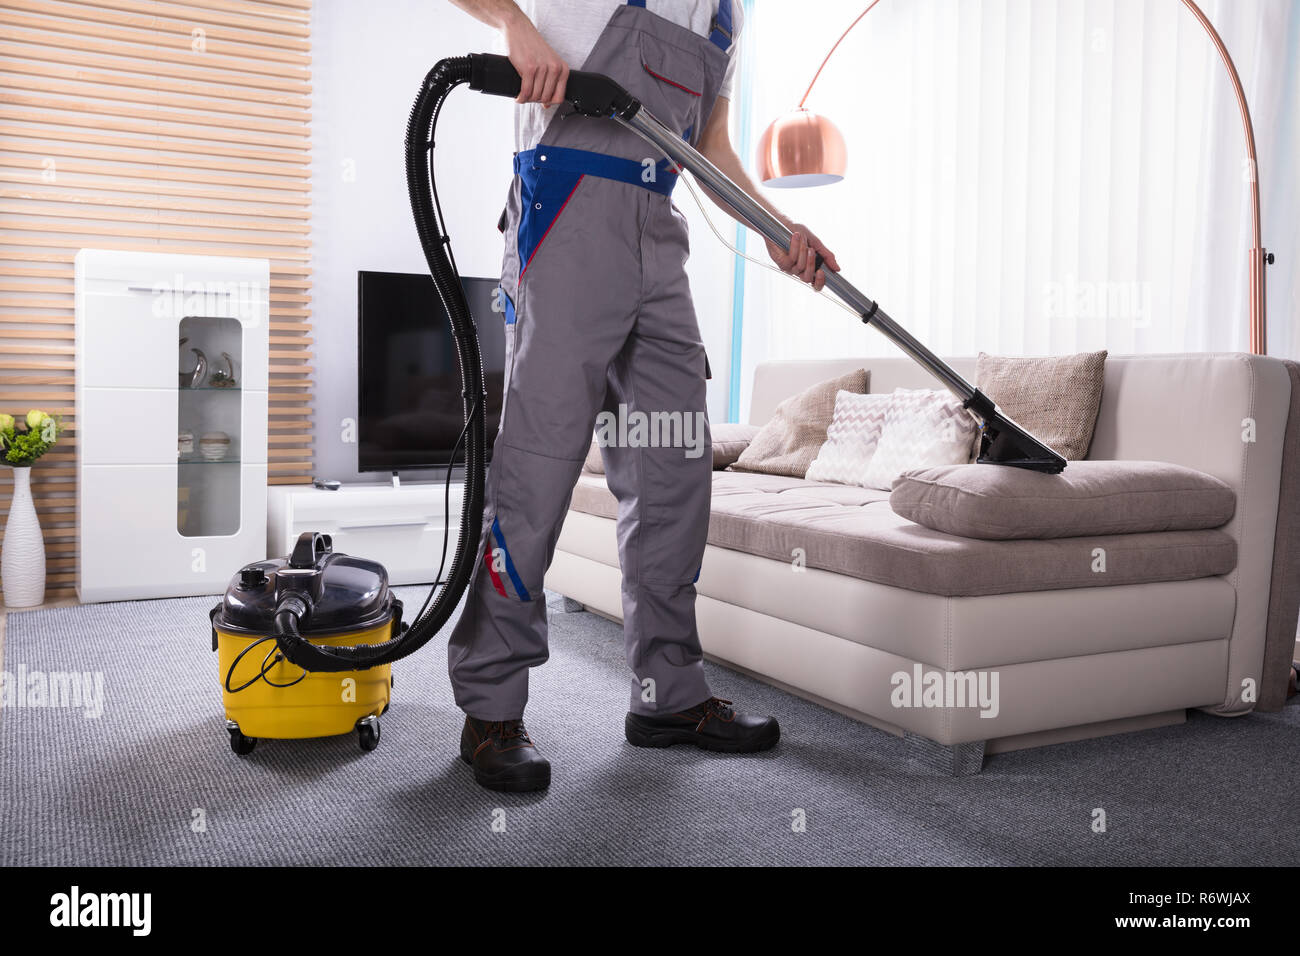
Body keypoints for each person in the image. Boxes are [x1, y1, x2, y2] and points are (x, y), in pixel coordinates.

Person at [447, 0, 839, 792]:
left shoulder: (727, 19)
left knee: (673, 477)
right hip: (564, 214)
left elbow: (711, 149)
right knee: (537, 470)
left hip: (658, 238)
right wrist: (514, 26)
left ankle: (667, 694)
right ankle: (491, 708)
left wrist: (774, 224)